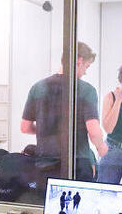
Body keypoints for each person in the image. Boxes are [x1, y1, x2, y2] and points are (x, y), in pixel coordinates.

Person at [21, 41, 108, 194]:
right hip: (77, 165)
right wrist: (102, 149)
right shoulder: (85, 89)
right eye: (86, 67)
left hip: (44, 165)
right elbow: (93, 130)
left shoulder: (38, 87)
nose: (85, 72)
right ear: (79, 61)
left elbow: (25, 127)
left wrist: (47, 129)